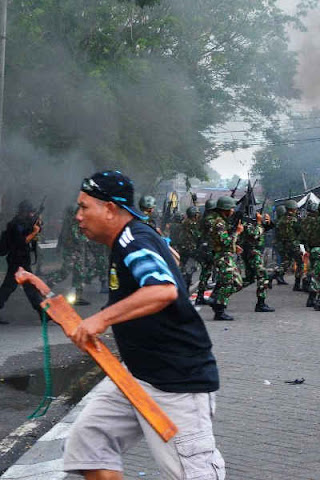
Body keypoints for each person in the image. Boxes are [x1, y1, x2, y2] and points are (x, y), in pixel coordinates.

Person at [63, 170, 225, 479]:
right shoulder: (133, 238)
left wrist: (99, 319)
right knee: (90, 444)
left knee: (192, 474)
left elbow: (162, 290)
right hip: (137, 375)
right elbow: (169, 261)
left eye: (84, 207)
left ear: (110, 208)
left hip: (176, 382)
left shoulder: (132, 238)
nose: (79, 216)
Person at [201, 196, 244, 320]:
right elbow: (225, 242)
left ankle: (215, 300)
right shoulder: (219, 223)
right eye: (231, 208)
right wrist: (237, 232)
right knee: (230, 282)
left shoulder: (221, 221)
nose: (232, 211)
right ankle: (219, 307)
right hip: (223, 256)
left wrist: (235, 246)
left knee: (234, 282)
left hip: (226, 255)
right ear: (225, 209)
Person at [0, 200, 43, 323]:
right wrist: (34, 231)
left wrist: (36, 227)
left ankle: (42, 312)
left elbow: (30, 237)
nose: (31, 214)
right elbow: (21, 242)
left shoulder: (23, 223)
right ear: (23, 212)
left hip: (21, 260)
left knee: (14, 287)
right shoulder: (15, 224)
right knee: (15, 287)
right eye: (29, 212)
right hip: (17, 261)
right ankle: (42, 312)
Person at [240, 212, 276, 313]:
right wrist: (259, 222)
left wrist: (268, 223)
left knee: (249, 279)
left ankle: (220, 295)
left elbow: (264, 229)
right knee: (262, 276)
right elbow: (255, 234)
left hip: (253, 251)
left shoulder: (252, 222)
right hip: (252, 252)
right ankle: (261, 304)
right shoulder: (247, 222)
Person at [274, 200, 303, 289]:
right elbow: (300, 230)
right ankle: (297, 284)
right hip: (294, 244)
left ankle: (273, 275)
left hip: (284, 244)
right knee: (300, 263)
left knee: (286, 262)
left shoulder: (281, 220)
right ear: (294, 209)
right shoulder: (294, 220)